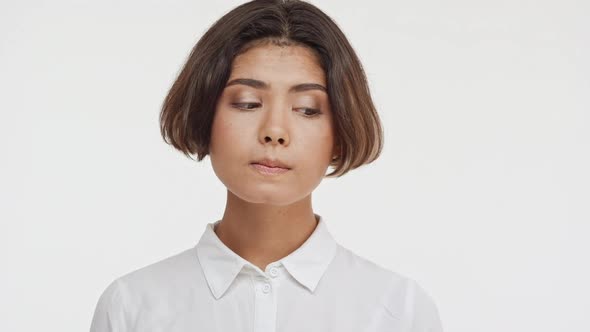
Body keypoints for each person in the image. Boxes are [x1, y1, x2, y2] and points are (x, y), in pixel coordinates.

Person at [89, 0, 444, 331]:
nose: (275, 131)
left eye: (307, 109)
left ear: (339, 133)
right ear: (204, 117)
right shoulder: (132, 308)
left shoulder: (399, 312)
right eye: (247, 103)